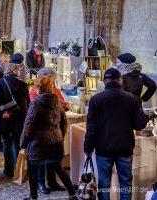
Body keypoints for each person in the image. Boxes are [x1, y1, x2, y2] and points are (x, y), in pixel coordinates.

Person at [84, 68, 148, 200]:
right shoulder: (133, 99)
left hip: (103, 148)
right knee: (126, 183)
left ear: (104, 81)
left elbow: (91, 128)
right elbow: (139, 125)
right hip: (125, 148)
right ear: (120, 80)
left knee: (104, 184)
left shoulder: (95, 100)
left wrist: (88, 148)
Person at [21, 76, 77, 200]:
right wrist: (60, 136)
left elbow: (28, 125)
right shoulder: (57, 101)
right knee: (59, 168)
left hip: (38, 143)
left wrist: (23, 144)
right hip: (56, 141)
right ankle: (72, 195)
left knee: (33, 171)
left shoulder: (35, 103)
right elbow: (64, 122)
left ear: (38, 88)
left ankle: (33, 197)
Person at [29, 67, 69, 194]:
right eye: (52, 79)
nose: (54, 81)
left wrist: (65, 106)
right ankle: (41, 183)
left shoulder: (55, 90)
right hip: (41, 132)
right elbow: (35, 109)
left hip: (54, 130)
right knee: (41, 160)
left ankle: (52, 181)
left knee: (52, 159)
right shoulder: (34, 91)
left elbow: (60, 105)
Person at [0, 63, 30, 177]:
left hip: (5, 117)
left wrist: (3, 111)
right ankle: (16, 168)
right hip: (19, 117)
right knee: (16, 142)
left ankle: (7, 169)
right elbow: (27, 102)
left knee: (6, 142)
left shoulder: (0, 82)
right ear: (15, 71)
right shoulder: (23, 84)